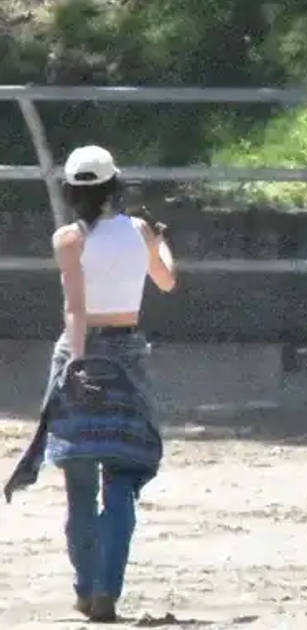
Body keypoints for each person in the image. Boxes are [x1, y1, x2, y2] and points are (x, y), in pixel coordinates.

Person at [4, 145, 177, 622]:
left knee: (78, 484)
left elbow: (75, 310)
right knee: (121, 480)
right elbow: (166, 281)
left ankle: (84, 586)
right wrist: (160, 241)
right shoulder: (140, 231)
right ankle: (108, 591)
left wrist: (77, 364)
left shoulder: (67, 240)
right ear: (114, 186)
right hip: (126, 354)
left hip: (79, 351)